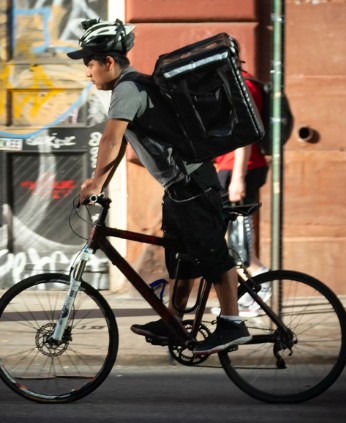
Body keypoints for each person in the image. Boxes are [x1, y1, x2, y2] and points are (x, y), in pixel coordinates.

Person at [71, 18, 250, 355]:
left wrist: (95, 181)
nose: (87, 73)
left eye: (89, 64)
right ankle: (174, 322)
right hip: (179, 188)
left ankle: (232, 324)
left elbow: (111, 138)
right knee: (181, 260)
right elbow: (122, 143)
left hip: (194, 182)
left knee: (212, 253)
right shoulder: (132, 88)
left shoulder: (128, 88)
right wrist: (101, 184)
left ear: (109, 62)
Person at [213, 68, 271, 317]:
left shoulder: (244, 85)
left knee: (237, 237)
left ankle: (261, 282)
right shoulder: (238, 83)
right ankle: (250, 292)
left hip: (239, 168)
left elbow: (244, 135)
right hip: (233, 167)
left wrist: (237, 178)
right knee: (228, 236)